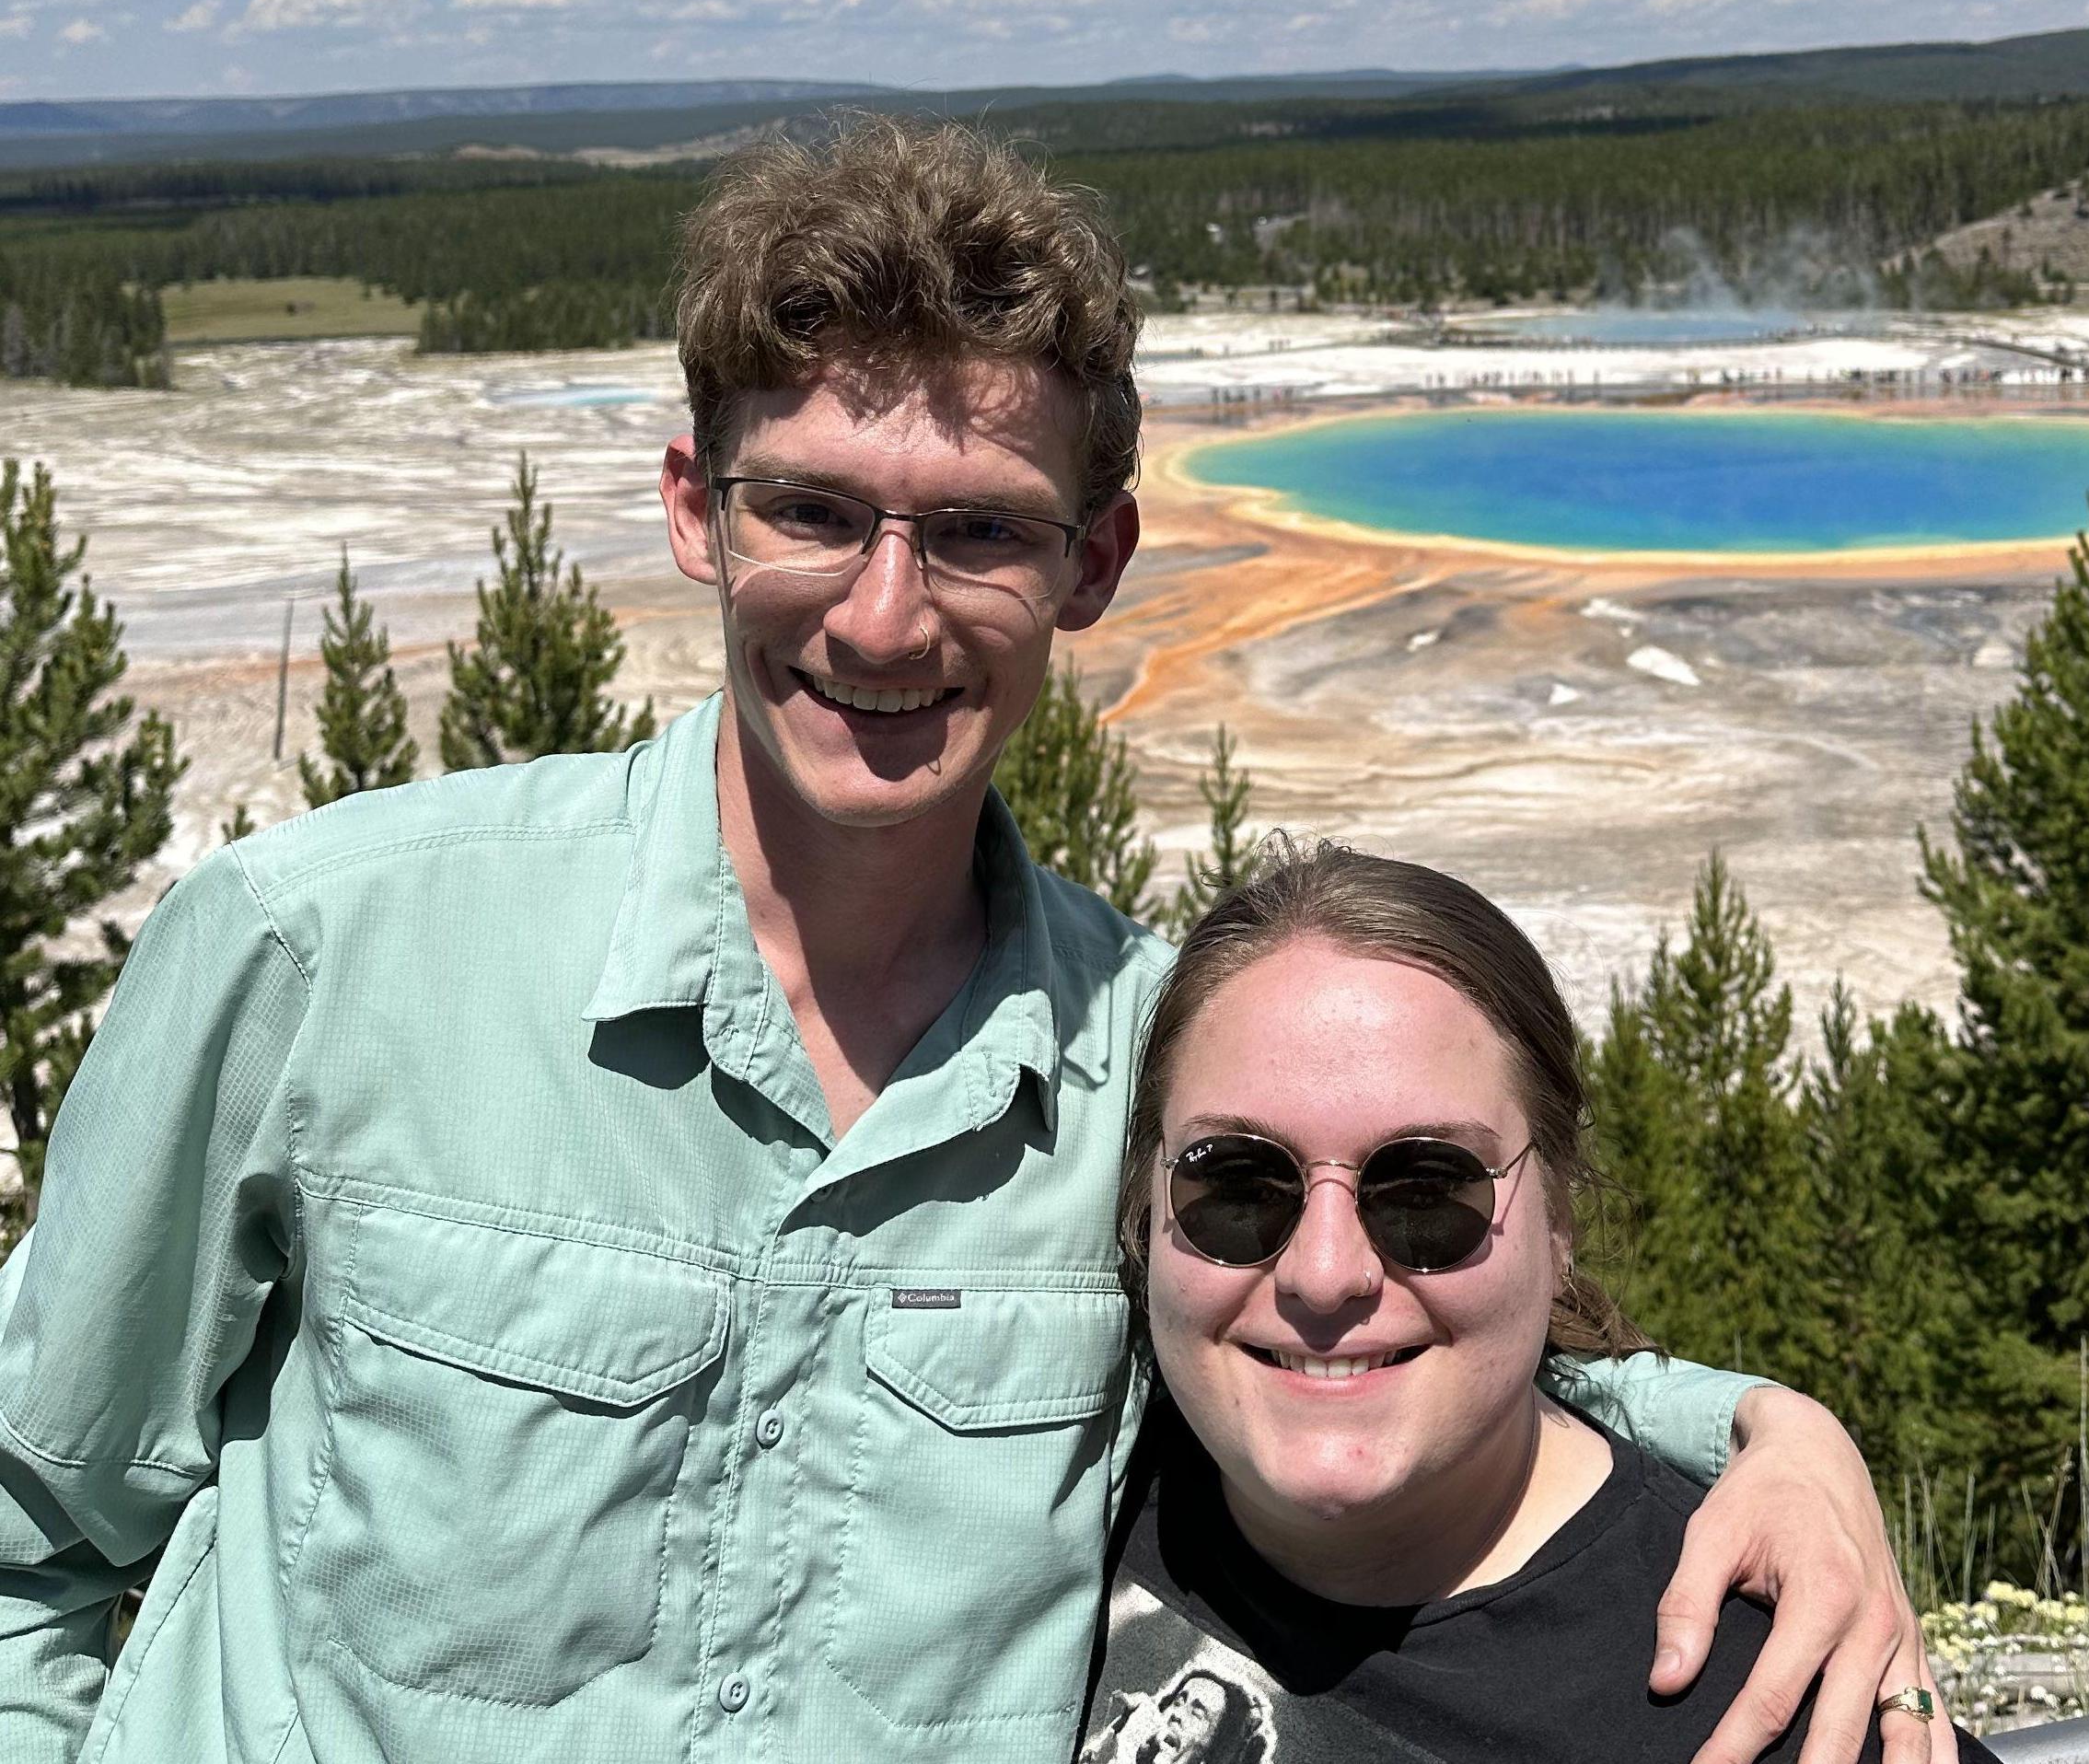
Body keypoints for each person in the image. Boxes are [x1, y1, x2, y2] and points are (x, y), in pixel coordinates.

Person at [0, 121, 1945, 1763]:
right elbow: (28, 1533)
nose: (882, 614)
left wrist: (1774, 1429)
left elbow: (1361, 1319)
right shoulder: (327, 947)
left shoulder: (1143, 1061)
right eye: (813, 511)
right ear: (697, 506)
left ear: (1095, 562)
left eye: (981, 533)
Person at [1087, 839, 1990, 1764]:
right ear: (1144, 1203)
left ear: (1557, 1224)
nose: (1324, 1272)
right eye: (1237, 1182)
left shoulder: (1781, 1703)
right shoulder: (1063, 1481)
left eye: (1426, 1190)